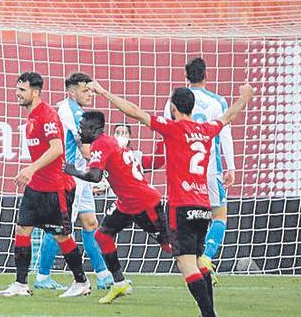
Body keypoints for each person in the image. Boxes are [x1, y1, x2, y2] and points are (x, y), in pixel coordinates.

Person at [90, 80, 253, 317]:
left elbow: (135, 112)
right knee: (198, 262)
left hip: (182, 206)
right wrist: (244, 97)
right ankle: (208, 312)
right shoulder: (207, 129)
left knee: (186, 265)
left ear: (174, 109)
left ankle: (208, 314)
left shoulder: (172, 128)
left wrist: (104, 92)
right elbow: (228, 116)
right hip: (203, 206)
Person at [0, 72, 91, 298]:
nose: (17, 94)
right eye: (17, 89)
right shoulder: (32, 116)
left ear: (35, 92)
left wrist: (30, 169)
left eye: (22, 90)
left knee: (62, 237)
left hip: (56, 187)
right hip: (36, 187)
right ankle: (20, 284)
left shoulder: (47, 115)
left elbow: (57, 148)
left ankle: (81, 282)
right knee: (22, 230)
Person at [63, 111, 170, 304]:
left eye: (83, 127)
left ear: (94, 129)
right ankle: (119, 282)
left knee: (170, 245)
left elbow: (95, 176)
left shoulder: (101, 144)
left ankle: (202, 266)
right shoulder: (110, 142)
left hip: (144, 202)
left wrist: (74, 171)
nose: (80, 131)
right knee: (102, 235)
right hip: (126, 203)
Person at [36, 73, 113, 290]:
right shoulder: (72, 112)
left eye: (90, 90)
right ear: (71, 91)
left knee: (90, 223)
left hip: (79, 176)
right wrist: (107, 167)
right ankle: (42, 276)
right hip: (71, 178)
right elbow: (85, 149)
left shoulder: (66, 109)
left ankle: (104, 274)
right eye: (84, 90)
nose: (90, 94)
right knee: (59, 227)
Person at [164, 58, 235, 282]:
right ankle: (205, 258)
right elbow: (224, 134)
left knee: (188, 222)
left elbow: (167, 134)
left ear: (186, 77)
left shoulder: (173, 101)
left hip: (184, 173)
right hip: (210, 167)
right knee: (218, 215)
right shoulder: (218, 102)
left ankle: (194, 264)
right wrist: (231, 167)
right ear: (206, 76)